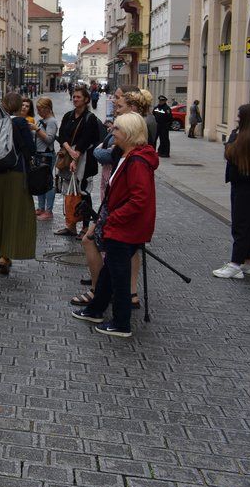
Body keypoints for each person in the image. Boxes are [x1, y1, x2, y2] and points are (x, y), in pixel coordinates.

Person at [71, 112, 158, 338]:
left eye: (117, 129)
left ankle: (121, 323)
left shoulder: (137, 160)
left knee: (118, 275)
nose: (112, 132)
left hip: (126, 227)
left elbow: (139, 199)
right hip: (123, 225)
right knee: (110, 271)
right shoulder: (128, 155)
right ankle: (95, 309)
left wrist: (113, 218)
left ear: (128, 133)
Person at [0, 92, 37, 274]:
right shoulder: (20, 123)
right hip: (15, 173)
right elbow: (31, 149)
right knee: (14, 212)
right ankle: (6, 254)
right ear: (18, 106)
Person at [214, 104, 250, 279]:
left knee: (240, 225)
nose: (236, 118)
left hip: (247, 186)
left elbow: (230, 152)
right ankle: (249, 262)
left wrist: (232, 138)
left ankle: (235, 264)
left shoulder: (249, 136)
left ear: (246, 117)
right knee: (246, 225)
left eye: (239, 115)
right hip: (246, 184)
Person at [55, 85, 104, 237]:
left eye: (79, 97)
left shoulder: (90, 118)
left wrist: (75, 157)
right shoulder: (68, 116)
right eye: (74, 97)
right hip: (69, 155)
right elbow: (61, 135)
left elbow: (86, 140)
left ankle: (85, 227)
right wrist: (69, 150)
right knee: (69, 190)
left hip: (85, 160)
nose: (75, 99)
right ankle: (70, 225)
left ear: (86, 100)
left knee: (83, 192)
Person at [33, 96, 59, 220]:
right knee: (39, 181)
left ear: (47, 109)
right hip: (39, 154)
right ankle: (41, 207)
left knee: (48, 183)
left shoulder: (52, 121)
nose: (38, 112)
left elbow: (49, 139)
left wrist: (36, 129)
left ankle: (49, 210)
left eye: (40, 109)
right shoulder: (40, 120)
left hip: (47, 155)